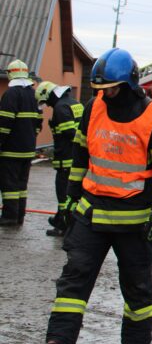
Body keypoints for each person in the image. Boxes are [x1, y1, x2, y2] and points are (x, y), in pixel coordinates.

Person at [35, 48, 152, 344]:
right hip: (91, 214)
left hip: (135, 221)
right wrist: (70, 198)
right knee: (74, 280)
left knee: (137, 287)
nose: (104, 94)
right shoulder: (93, 108)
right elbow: (80, 156)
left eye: (110, 88)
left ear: (128, 84)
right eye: (100, 89)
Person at [35, 80, 84, 237]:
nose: (47, 105)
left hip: (66, 160)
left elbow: (70, 133)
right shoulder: (75, 103)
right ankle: (59, 220)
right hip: (77, 159)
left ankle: (64, 227)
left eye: (46, 101)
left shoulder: (60, 107)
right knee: (72, 196)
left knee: (64, 196)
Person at [0, 59, 42, 226]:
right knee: (21, 185)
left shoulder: (11, 94)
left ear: (11, 74)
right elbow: (39, 123)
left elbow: (4, 123)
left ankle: (9, 216)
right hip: (28, 149)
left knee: (9, 184)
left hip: (11, 149)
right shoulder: (34, 94)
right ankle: (19, 216)